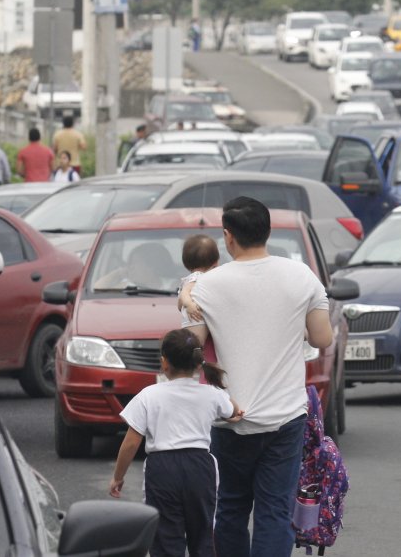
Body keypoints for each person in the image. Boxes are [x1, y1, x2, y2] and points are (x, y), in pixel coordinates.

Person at [184, 197, 334, 557]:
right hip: (285, 417)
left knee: (231, 509)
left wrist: (186, 294)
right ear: (268, 232)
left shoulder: (207, 287)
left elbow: (190, 350)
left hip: (228, 416)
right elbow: (322, 338)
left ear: (228, 236)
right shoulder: (301, 276)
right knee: (275, 512)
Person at [110, 328, 244, 557]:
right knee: (202, 535)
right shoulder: (211, 394)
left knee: (164, 537)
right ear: (197, 362)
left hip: (162, 469)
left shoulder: (148, 395)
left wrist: (118, 477)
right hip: (200, 468)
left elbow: (131, 443)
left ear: (164, 363)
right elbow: (234, 410)